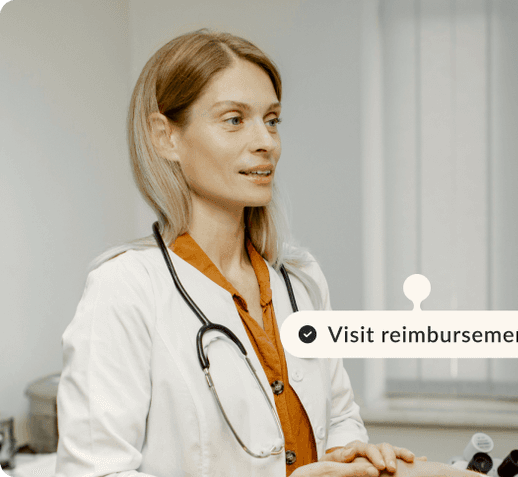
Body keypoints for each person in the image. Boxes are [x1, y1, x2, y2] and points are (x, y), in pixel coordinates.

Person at [55, 29, 417, 477]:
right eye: (234, 119)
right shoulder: (124, 289)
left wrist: (352, 456)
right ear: (165, 137)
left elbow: (340, 417)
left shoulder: (301, 279)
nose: (266, 141)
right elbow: (94, 472)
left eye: (272, 120)